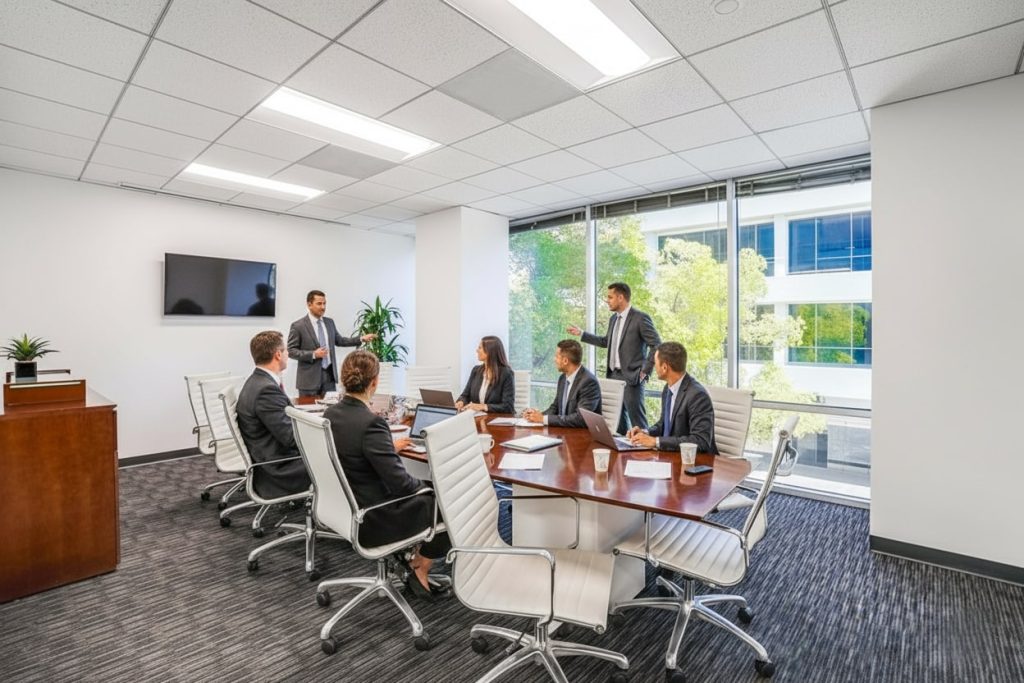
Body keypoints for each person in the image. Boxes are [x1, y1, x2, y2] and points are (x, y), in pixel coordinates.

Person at [324, 351, 449, 598]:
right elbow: (402, 485)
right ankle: (420, 567)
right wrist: (428, 488)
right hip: (375, 516)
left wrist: (387, 448)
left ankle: (410, 557)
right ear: (374, 382)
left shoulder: (331, 415)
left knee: (429, 489)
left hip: (346, 508)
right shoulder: (371, 423)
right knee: (447, 501)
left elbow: (352, 450)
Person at [568, 282, 661, 433]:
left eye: (610, 297)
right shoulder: (613, 319)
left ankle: (644, 447)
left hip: (632, 378)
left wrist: (644, 371)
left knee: (638, 423)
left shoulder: (640, 318)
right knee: (618, 423)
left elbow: (656, 345)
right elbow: (606, 342)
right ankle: (621, 448)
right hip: (613, 376)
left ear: (620, 297)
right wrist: (582, 334)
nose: (607, 300)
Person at [236, 330, 311, 497]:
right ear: (278, 354)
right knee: (345, 455)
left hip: (272, 458)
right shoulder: (266, 390)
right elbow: (292, 438)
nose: (287, 354)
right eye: (286, 351)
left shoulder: (257, 381)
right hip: (280, 469)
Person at [627, 342, 718, 454]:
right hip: (672, 456)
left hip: (697, 461)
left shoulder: (697, 396)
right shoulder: (668, 389)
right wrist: (646, 433)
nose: (654, 367)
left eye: (655, 363)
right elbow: (663, 425)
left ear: (665, 367)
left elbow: (700, 441)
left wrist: (655, 441)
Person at [287, 290, 376, 396]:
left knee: (330, 406)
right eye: (319, 303)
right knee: (308, 407)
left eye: (324, 303)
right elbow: (291, 351)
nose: (323, 307)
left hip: (329, 378)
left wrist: (361, 339)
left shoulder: (329, 322)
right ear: (309, 304)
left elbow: (340, 341)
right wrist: (313, 354)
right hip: (308, 381)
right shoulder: (298, 326)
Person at [523, 339, 601, 428]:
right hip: (565, 431)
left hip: (581, 433)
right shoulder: (563, 378)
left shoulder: (589, 382)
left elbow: (580, 418)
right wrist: (536, 416)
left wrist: (543, 419)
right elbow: (555, 407)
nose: (554, 360)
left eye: (556, 356)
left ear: (565, 361)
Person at [454, 335, 515, 414]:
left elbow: (508, 406)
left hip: (496, 418)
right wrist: (461, 402)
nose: (477, 350)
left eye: (480, 348)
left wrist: (483, 406)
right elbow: (465, 395)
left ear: (489, 351)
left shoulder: (506, 373)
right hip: (478, 417)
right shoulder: (476, 370)